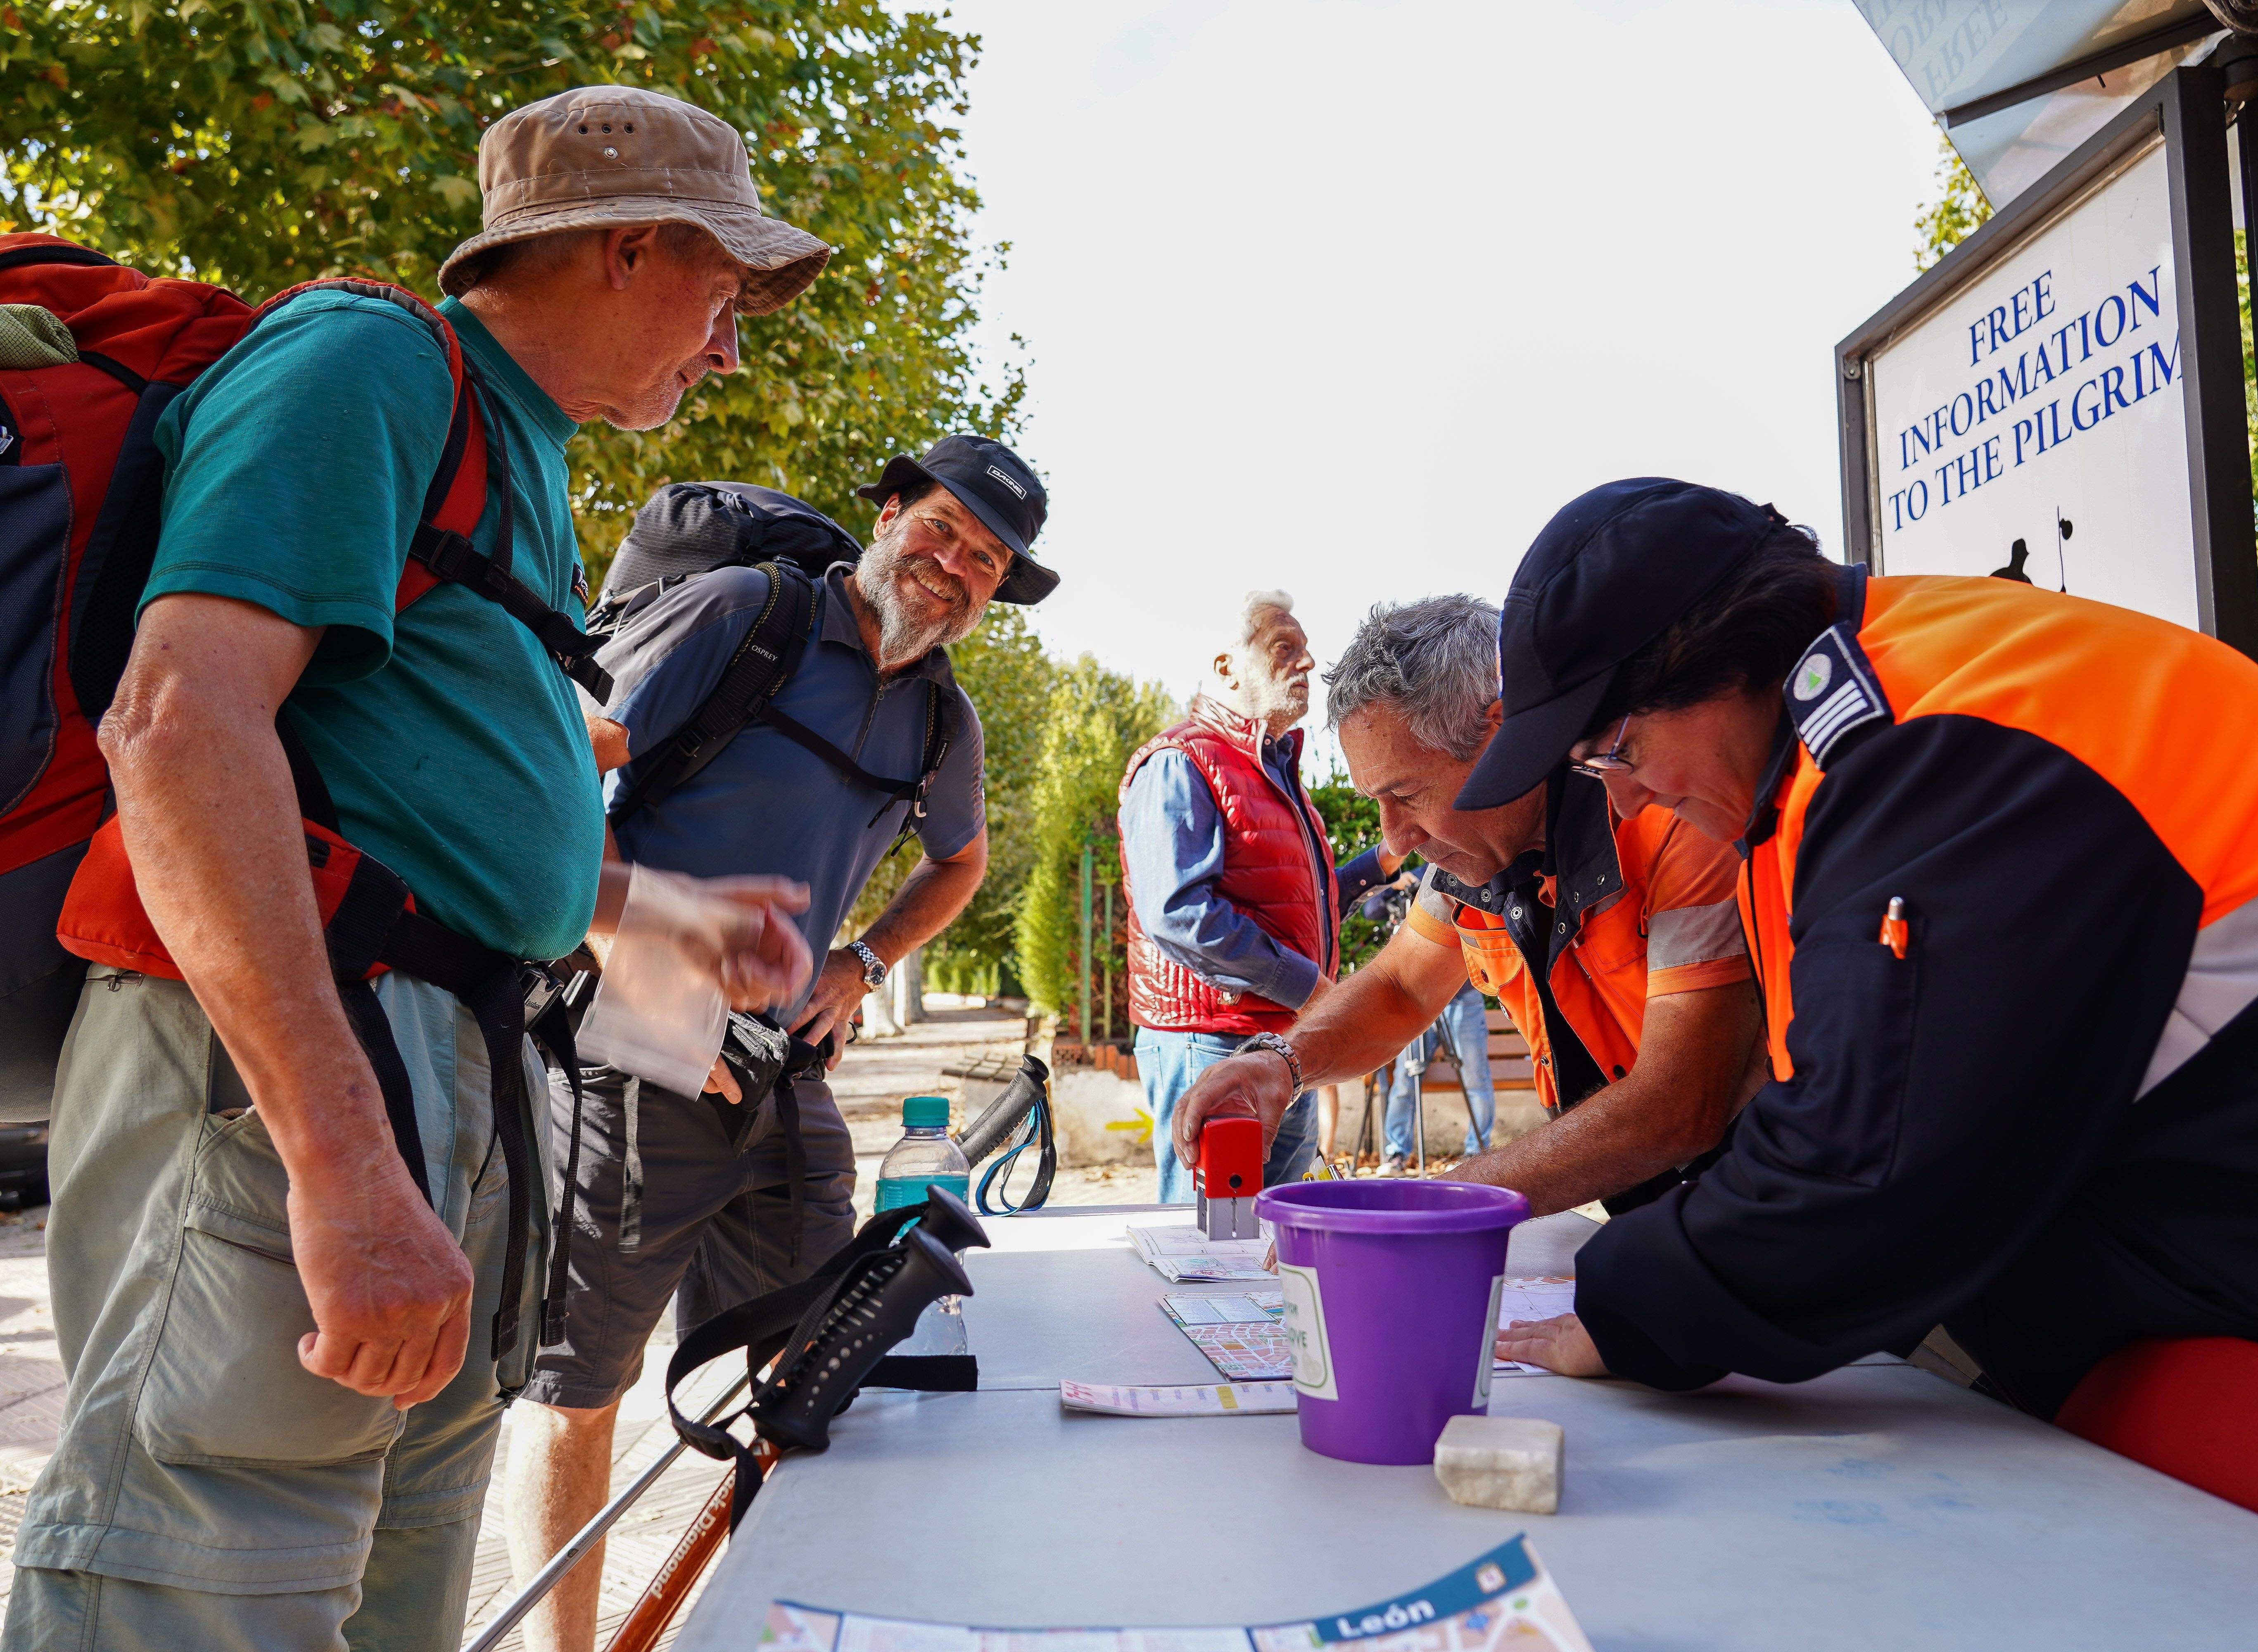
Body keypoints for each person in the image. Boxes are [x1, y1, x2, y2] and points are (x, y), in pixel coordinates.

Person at [4, 86, 826, 1652]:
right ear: (626, 246)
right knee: (205, 1576)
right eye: (721, 293)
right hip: (298, 1066)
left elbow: (399, 787)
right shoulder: (370, 363)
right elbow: (177, 724)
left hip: (435, 1054)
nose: (729, 347)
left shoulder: (509, 455)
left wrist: (639, 907)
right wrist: (345, 1166)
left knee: (380, 1588)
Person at [1477, 477, 2258, 1418]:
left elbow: (1861, 1172)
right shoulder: (1858, 731)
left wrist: (1622, 1306)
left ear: (1729, 659)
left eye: (1616, 751)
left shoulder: (1941, 742)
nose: (1623, 798)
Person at [505, 441, 1049, 1652]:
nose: (953, 565)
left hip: (779, 1076)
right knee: (577, 1389)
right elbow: (556, 773)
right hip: (624, 1036)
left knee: (809, 1375)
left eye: (985, 557)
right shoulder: (747, 614)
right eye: (942, 529)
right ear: (892, 513)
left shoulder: (942, 721)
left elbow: (959, 860)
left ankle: (763, 1623)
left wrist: (865, 962)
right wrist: (664, 981)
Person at [1171, 596, 1762, 1218]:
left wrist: (1440, 1204)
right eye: (1376, 801)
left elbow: (1680, 1102)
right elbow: (1400, 988)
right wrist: (1281, 1064)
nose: (1394, 839)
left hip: (1763, 1209)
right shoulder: (1467, 859)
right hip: (1653, 1214)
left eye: (1406, 794)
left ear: (1501, 737)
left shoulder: (1669, 819)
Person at [1118, 593, 1393, 1201]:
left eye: (1306, 649)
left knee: (1272, 1235)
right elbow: (1179, 915)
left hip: (1280, 1042)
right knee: (1212, 1245)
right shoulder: (1180, 761)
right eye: (1284, 649)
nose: (1309, 663)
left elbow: (1300, 909)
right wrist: (1311, 989)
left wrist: (1382, 862)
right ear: (1227, 668)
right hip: (1209, 1040)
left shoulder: (1277, 776)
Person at [1380, 980, 1495, 1171]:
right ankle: (1396, 1154)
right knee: (1404, 1080)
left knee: (1476, 1081)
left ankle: (1476, 1155)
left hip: (1463, 996)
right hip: (1419, 1000)